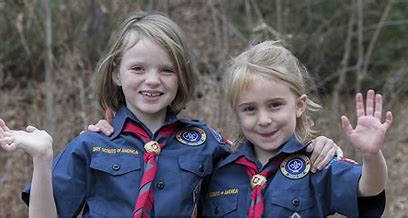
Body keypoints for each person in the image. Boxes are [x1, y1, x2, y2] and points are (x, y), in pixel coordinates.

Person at [0, 12, 341, 218]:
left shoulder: (205, 143)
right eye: (138, 68)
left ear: (181, 78)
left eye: (166, 70)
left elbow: (260, 163)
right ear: (117, 74)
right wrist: (43, 158)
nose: (152, 80)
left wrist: (315, 147)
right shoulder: (91, 146)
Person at [200, 41, 393, 217]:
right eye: (250, 109)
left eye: (275, 105)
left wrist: (371, 156)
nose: (264, 120)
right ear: (237, 113)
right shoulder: (218, 169)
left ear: (299, 105)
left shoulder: (317, 164)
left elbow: (368, 188)